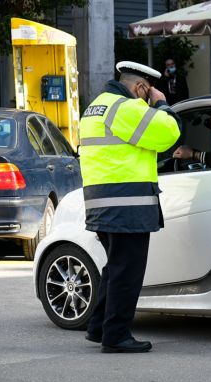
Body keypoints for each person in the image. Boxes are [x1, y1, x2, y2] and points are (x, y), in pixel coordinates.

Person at [79, 61, 181, 353]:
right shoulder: (126, 108)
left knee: (116, 268)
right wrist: (162, 105)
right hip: (127, 203)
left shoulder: (96, 107)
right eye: (148, 93)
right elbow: (169, 133)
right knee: (128, 271)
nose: (149, 99)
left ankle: (99, 328)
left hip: (102, 201)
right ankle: (116, 336)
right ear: (140, 88)